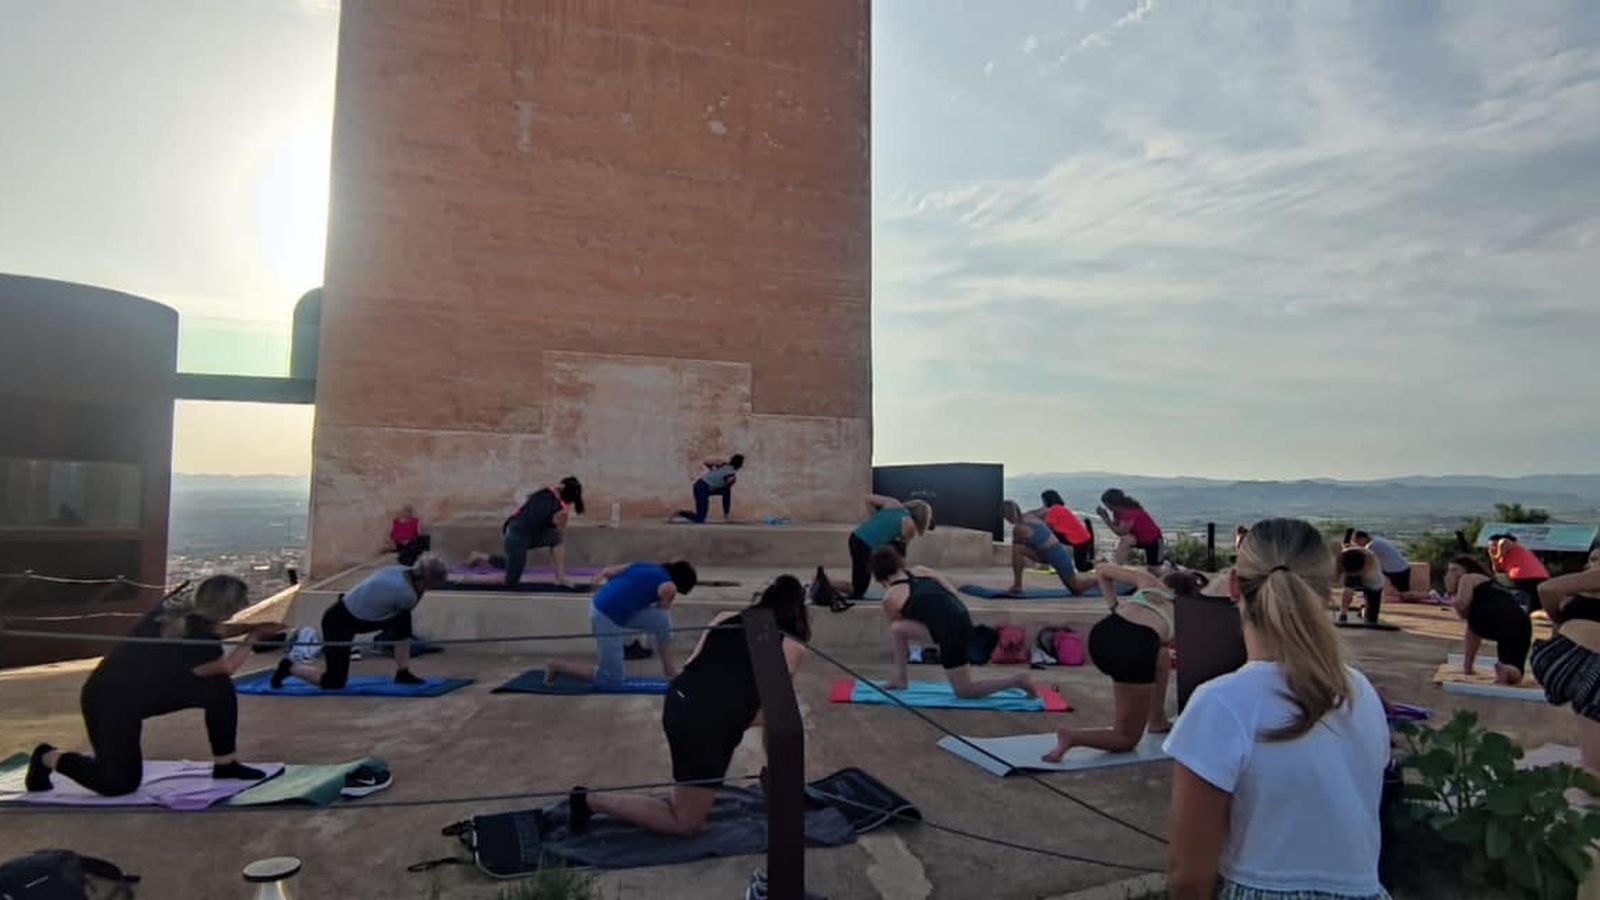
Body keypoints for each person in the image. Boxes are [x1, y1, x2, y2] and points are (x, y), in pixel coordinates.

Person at [1164, 518, 1390, 900]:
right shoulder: (1359, 691)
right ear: (1328, 590)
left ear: (1235, 586)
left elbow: (1189, 877)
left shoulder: (1221, 702)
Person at [567, 575, 811, 836]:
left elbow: (691, 667)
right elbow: (776, 712)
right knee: (685, 823)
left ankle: (699, 792)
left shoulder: (724, 617)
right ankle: (590, 801)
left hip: (680, 701)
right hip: (706, 724)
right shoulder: (791, 646)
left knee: (761, 721)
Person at [26, 576, 281, 796]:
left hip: (145, 692)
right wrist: (254, 636)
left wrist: (255, 626)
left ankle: (226, 763)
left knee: (217, 688)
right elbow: (225, 666)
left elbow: (217, 630)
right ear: (224, 607)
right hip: (109, 700)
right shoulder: (196, 634)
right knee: (118, 783)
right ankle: (47, 756)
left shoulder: (181, 611)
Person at [1041, 566, 1199, 762]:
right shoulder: (1184, 611)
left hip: (1103, 635)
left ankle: (1157, 719)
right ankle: (1073, 737)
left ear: (1165, 581)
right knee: (1126, 738)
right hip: (1133, 647)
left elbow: (1102, 571)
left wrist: (1114, 607)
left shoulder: (1148, 581)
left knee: (1160, 655)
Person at [873, 546, 1039, 699]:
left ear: (880, 577)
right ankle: (900, 680)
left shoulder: (890, 598)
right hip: (960, 617)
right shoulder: (920, 570)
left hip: (951, 631)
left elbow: (900, 629)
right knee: (897, 629)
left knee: (965, 691)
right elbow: (951, 592)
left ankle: (1017, 681)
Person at [271, 555, 449, 689]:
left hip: (346, 611)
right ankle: (289, 667)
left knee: (402, 620)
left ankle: (403, 672)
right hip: (339, 622)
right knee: (334, 682)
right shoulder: (407, 594)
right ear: (425, 581)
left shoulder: (398, 570)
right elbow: (412, 603)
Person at [542, 561, 697, 687]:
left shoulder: (646, 565)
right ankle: (556, 665)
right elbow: (663, 606)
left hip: (604, 604)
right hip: (606, 616)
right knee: (611, 680)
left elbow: (607, 571)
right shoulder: (669, 587)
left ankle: (670, 673)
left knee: (662, 621)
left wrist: (619, 593)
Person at [1532, 556, 1600, 783]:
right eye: (1592, 558)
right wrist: (1556, 616)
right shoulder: (1592, 580)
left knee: (1590, 705)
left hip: (1560, 658)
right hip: (1577, 660)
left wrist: (1558, 618)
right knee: (1593, 702)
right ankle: (1591, 772)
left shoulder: (1579, 597)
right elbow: (1546, 588)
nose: (1592, 563)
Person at [1445, 555, 1532, 685]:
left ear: (1467, 569)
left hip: (1496, 619)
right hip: (1520, 621)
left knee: (1472, 626)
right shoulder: (1491, 583)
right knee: (1516, 672)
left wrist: (1451, 591)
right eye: (1449, 570)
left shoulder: (1468, 578)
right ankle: (1504, 669)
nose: (1451, 574)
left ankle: (1468, 666)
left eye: (1455, 569)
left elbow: (1462, 606)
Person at [1002, 501, 1100, 596]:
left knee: (1077, 588)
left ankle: (1100, 580)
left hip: (1057, 556)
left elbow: (1019, 548)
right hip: (1051, 553)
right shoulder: (1031, 515)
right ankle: (1017, 585)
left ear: (1007, 516)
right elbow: (1047, 509)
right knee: (1019, 549)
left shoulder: (1018, 529)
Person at [844, 495, 932, 599]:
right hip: (865, 546)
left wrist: (875, 518)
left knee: (859, 579)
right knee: (858, 591)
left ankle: (828, 584)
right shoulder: (910, 526)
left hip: (855, 537)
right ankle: (829, 585)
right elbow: (901, 553)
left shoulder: (893, 503)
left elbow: (868, 499)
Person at [503, 477, 584, 586]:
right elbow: (539, 518)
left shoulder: (552, 498)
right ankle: (473, 580)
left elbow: (557, 532)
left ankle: (560, 577)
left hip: (524, 532)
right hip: (517, 534)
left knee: (556, 538)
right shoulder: (550, 499)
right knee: (510, 581)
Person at [671, 454, 745, 524]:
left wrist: (713, 469)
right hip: (702, 488)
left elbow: (706, 462)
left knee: (726, 491)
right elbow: (726, 490)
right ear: (739, 465)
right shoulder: (731, 476)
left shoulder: (723, 465)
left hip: (699, 485)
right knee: (700, 519)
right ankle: (680, 513)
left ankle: (726, 514)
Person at [1096, 489, 1164, 565]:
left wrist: (1105, 518)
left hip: (1154, 540)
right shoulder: (1117, 512)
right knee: (1126, 539)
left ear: (1111, 504)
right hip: (1139, 539)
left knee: (1154, 569)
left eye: (1106, 504)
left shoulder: (1128, 512)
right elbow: (1117, 529)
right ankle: (1117, 565)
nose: (1106, 507)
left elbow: (1120, 532)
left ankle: (1170, 569)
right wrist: (1106, 518)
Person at [1350, 530, 1422, 600]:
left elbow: (1365, 558)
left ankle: (1427, 595)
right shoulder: (1377, 540)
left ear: (1362, 538)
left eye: (1357, 541)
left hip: (1398, 571)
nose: (1358, 544)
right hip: (1396, 568)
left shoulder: (1372, 545)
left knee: (1405, 594)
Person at [1039, 490, 1096, 571]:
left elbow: (1048, 526)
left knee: (1081, 567)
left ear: (1047, 500)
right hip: (1082, 538)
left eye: (1043, 500)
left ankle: (1099, 563)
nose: (1043, 503)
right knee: (1081, 566)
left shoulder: (1054, 509)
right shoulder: (1060, 508)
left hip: (1079, 540)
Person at [1488, 533, 1550, 607]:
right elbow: (1497, 570)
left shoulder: (1512, 545)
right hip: (1538, 577)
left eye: (1493, 545)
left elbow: (1503, 541)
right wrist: (1493, 559)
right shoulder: (1503, 557)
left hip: (1525, 577)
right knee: (1535, 602)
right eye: (1489, 547)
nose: (1492, 548)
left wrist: (1497, 554)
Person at [1335, 545, 1391, 626]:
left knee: (1371, 620)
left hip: (1371, 577)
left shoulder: (1371, 560)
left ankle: (1364, 609)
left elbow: (1367, 570)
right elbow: (1338, 568)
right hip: (1351, 566)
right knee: (1348, 590)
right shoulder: (1343, 556)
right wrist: (1339, 575)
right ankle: (1343, 613)